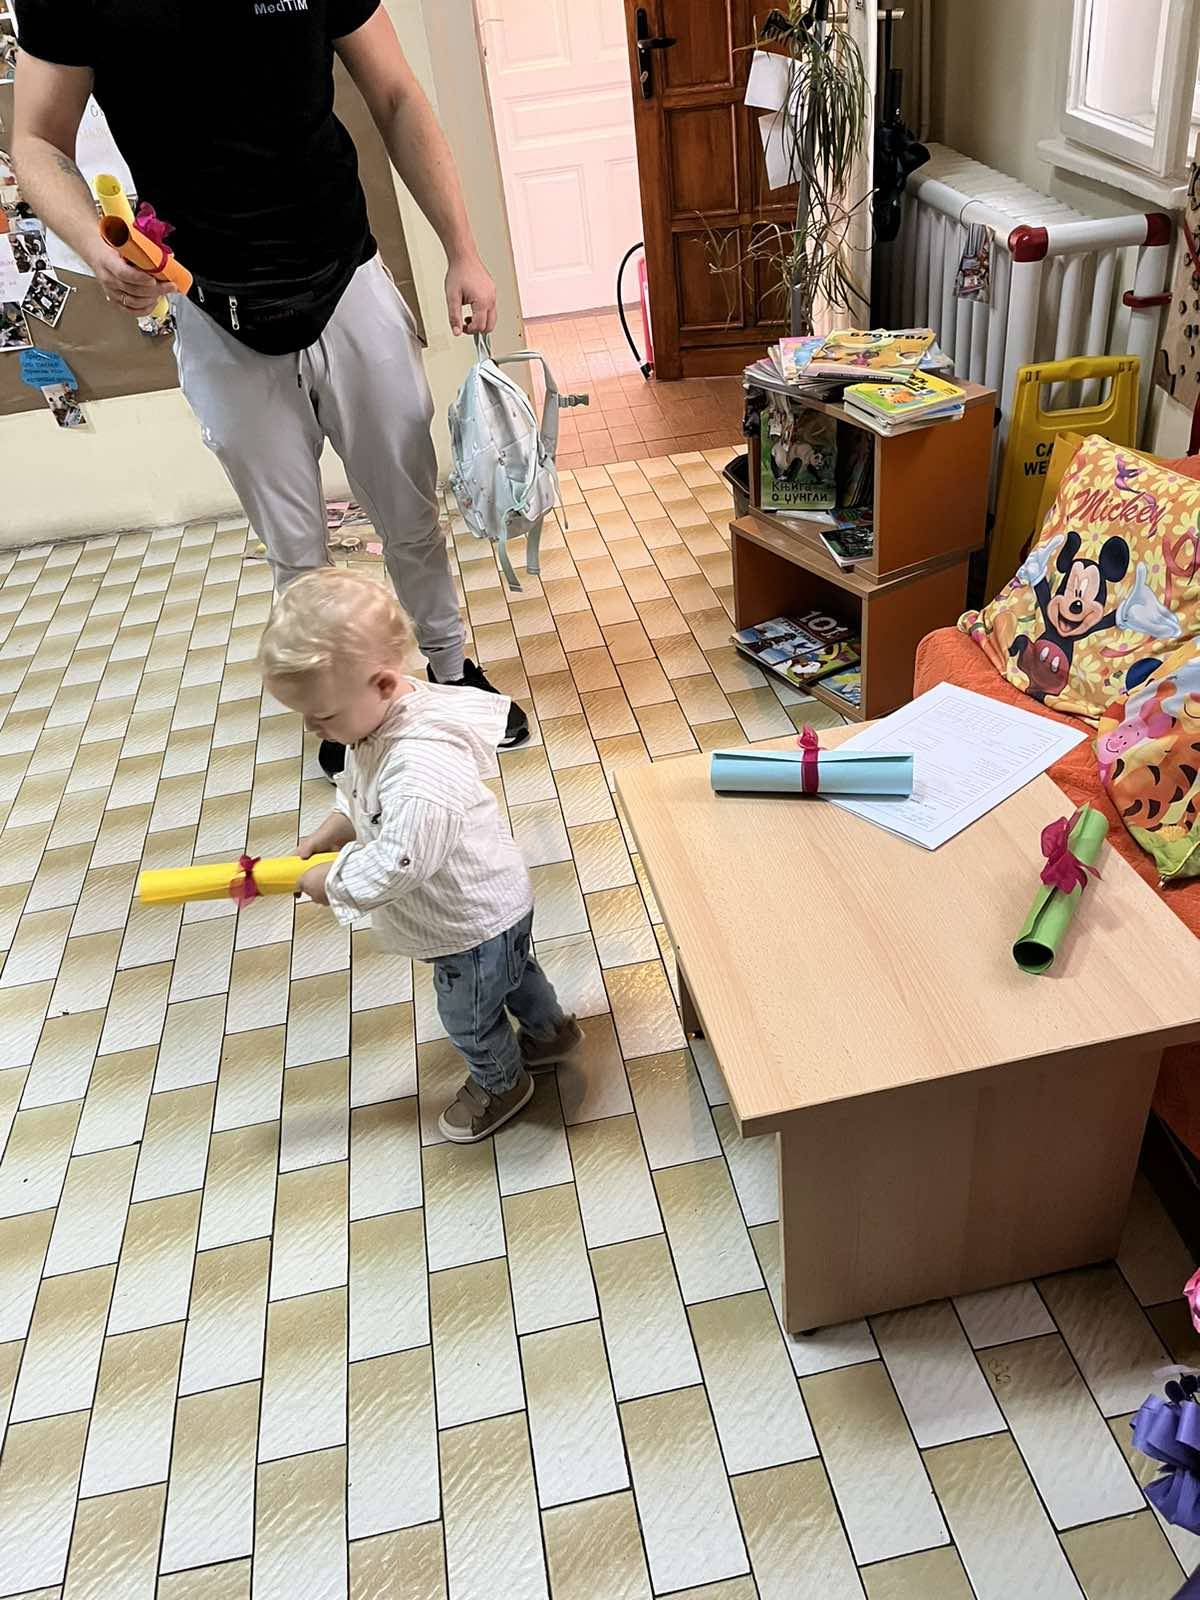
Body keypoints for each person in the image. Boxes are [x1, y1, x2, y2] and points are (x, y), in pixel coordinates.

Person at [11, 0, 531, 773]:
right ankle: (342, 706)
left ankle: (450, 670)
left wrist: (463, 250)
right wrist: (94, 242)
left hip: (345, 273)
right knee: (295, 548)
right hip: (209, 303)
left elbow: (395, 93)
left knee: (409, 508)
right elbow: (35, 139)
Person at [258, 568, 581, 1143]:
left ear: (383, 684)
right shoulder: (378, 717)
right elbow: (365, 788)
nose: (311, 729)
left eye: (322, 716)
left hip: (468, 922)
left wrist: (332, 881)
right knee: (513, 973)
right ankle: (550, 1032)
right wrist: (337, 826)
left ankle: (503, 1083)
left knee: (469, 1015)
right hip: (494, 901)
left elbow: (401, 861)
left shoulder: (420, 762)